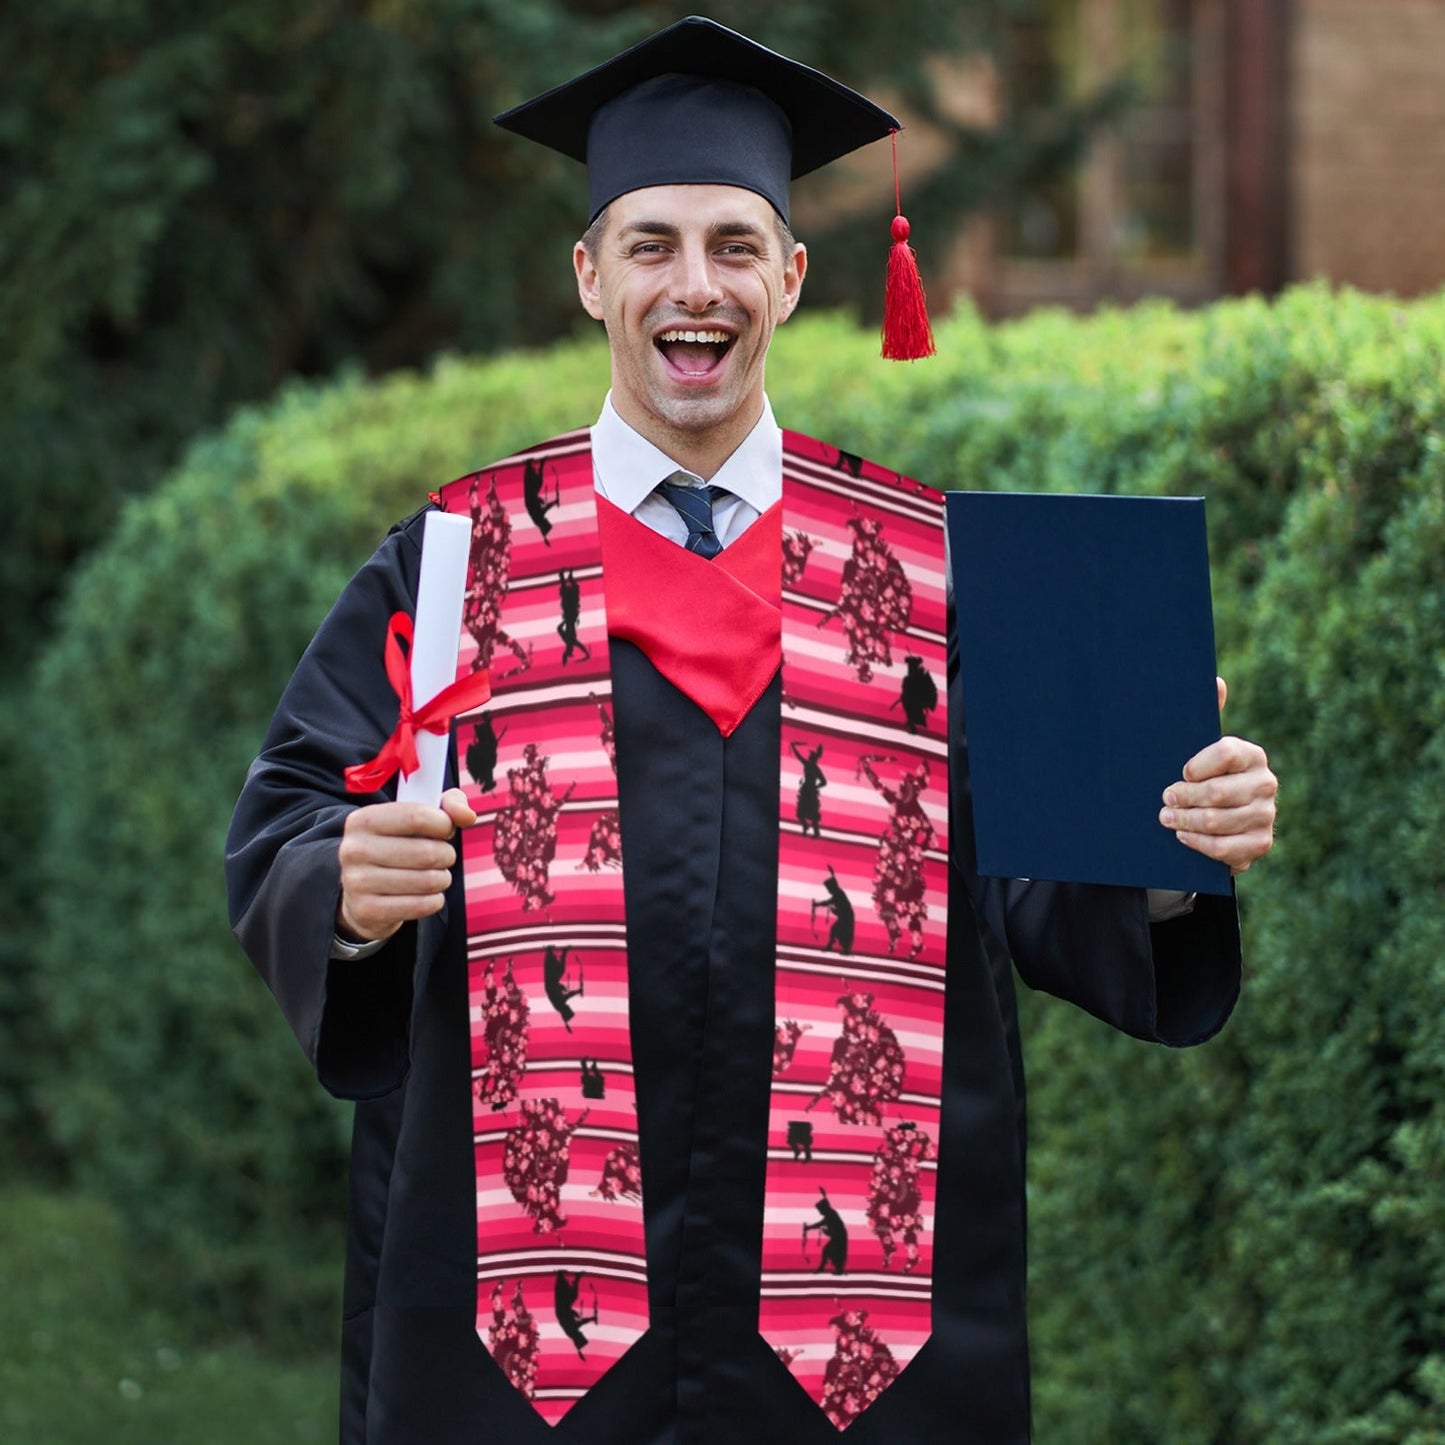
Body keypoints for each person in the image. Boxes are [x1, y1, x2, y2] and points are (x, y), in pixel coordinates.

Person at [225, 17, 1277, 1445]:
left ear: (790, 276)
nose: (694, 286)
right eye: (649, 245)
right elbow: (291, 820)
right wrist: (345, 887)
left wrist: (1167, 848)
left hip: (860, 1341)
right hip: (524, 1334)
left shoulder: (930, 573)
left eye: (734, 245)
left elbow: (1040, 887)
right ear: (589, 275)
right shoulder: (463, 562)